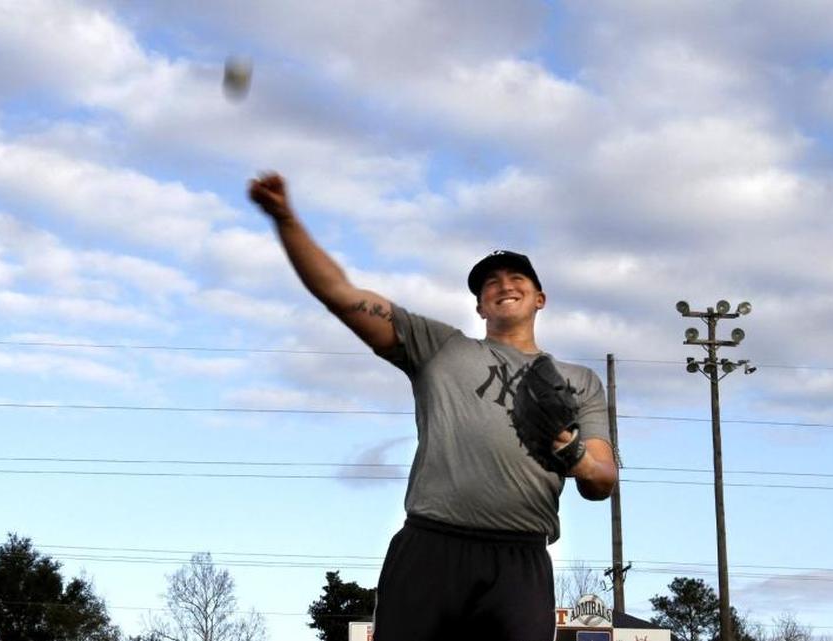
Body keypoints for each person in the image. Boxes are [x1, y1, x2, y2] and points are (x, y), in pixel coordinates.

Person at [248, 172, 618, 641]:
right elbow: (340, 294)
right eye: (489, 283)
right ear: (480, 306)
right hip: (431, 545)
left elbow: (602, 480)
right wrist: (285, 219)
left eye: (516, 276)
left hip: (520, 558)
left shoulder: (578, 381)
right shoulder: (439, 348)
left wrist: (570, 450)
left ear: (539, 297)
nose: (503, 284)